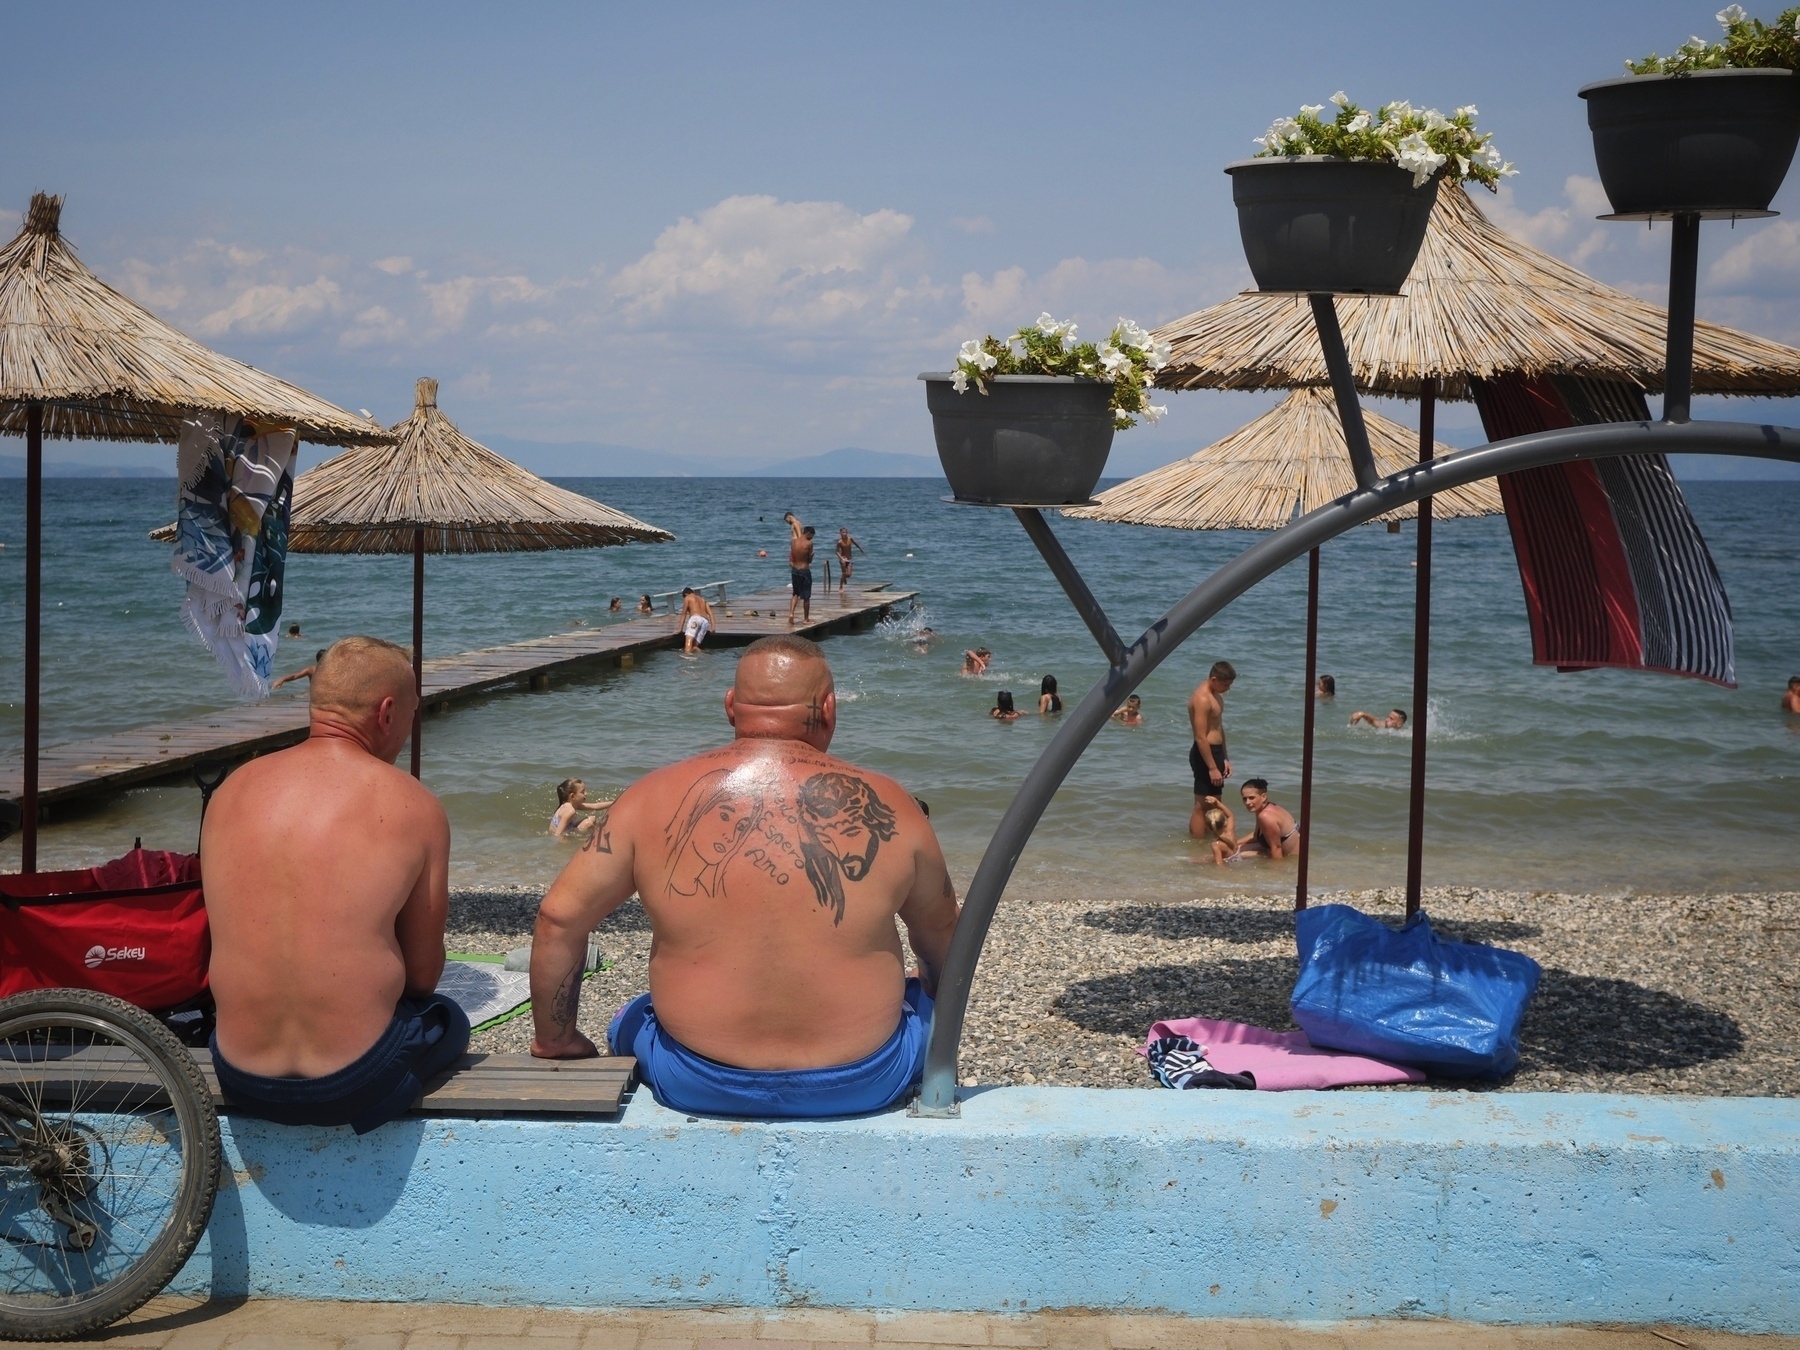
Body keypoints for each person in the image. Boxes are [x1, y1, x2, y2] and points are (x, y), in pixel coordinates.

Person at [528, 634, 959, 1119]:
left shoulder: (648, 798)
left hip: (695, 1079)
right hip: (862, 1080)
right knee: (917, 999)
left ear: (731, 706)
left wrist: (555, 1040)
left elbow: (558, 920)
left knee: (629, 1018)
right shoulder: (895, 804)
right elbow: (943, 937)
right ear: (829, 708)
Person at [201, 636, 467, 1134]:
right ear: (387, 712)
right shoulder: (415, 806)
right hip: (354, 1082)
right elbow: (422, 976)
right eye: (413, 713)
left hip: (239, 1076)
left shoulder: (232, 790)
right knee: (447, 1017)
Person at [1187, 660, 1235, 838]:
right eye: (1225, 684)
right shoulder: (1202, 698)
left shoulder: (1216, 695)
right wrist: (1212, 767)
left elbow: (1218, 728)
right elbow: (1201, 736)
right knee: (1201, 804)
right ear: (1214, 679)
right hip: (1204, 755)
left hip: (1216, 753)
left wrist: (1225, 758)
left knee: (1216, 803)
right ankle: (1196, 845)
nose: (1228, 688)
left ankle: (1212, 841)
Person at [1236, 779, 1300, 860]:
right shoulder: (1264, 809)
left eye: (1251, 798)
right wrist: (1234, 843)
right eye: (1244, 799)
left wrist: (1274, 871)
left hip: (1292, 860)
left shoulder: (1265, 816)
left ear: (1263, 797)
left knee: (1232, 857)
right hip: (1271, 850)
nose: (1247, 802)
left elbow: (1276, 849)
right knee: (1233, 850)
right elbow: (1256, 835)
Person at [550, 778, 615, 838]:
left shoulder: (573, 805)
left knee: (592, 818)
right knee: (588, 823)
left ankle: (595, 834)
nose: (586, 794)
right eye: (582, 792)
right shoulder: (570, 810)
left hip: (568, 829)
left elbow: (596, 806)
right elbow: (557, 834)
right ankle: (590, 839)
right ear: (572, 796)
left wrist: (615, 802)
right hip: (561, 834)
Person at [785, 512, 816, 625]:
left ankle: (791, 614)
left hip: (794, 570)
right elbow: (808, 560)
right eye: (812, 535)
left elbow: (792, 557)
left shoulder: (793, 542)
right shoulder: (809, 543)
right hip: (804, 571)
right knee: (806, 597)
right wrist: (812, 556)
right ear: (808, 533)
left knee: (795, 594)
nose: (812, 537)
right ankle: (806, 619)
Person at [1198, 796, 1239, 866]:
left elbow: (1219, 865)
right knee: (1206, 858)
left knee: (1197, 860)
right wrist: (1217, 803)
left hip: (1229, 863)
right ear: (1225, 822)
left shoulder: (1216, 845)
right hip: (1237, 858)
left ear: (1207, 827)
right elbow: (1230, 816)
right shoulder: (1230, 832)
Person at [678, 586, 716, 653]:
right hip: (705, 622)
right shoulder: (702, 599)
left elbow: (683, 614)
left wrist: (680, 629)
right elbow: (711, 613)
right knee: (694, 646)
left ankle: (687, 660)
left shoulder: (688, 597)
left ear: (686, 594)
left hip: (695, 620)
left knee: (688, 645)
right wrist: (713, 627)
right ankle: (700, 656)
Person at [836, 527, 865, 593]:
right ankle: (840, 587)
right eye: (843, 532)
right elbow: (836, 551)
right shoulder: (839, 542)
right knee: (844, 573)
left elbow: (856, 544)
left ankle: (844, 578)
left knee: (849, 574)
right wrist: (841, 558)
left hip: (849, 559)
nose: (845, 534)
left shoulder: (850, 539)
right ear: (840, 533)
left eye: (846, 532)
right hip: (843, 559)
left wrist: (861, 549)